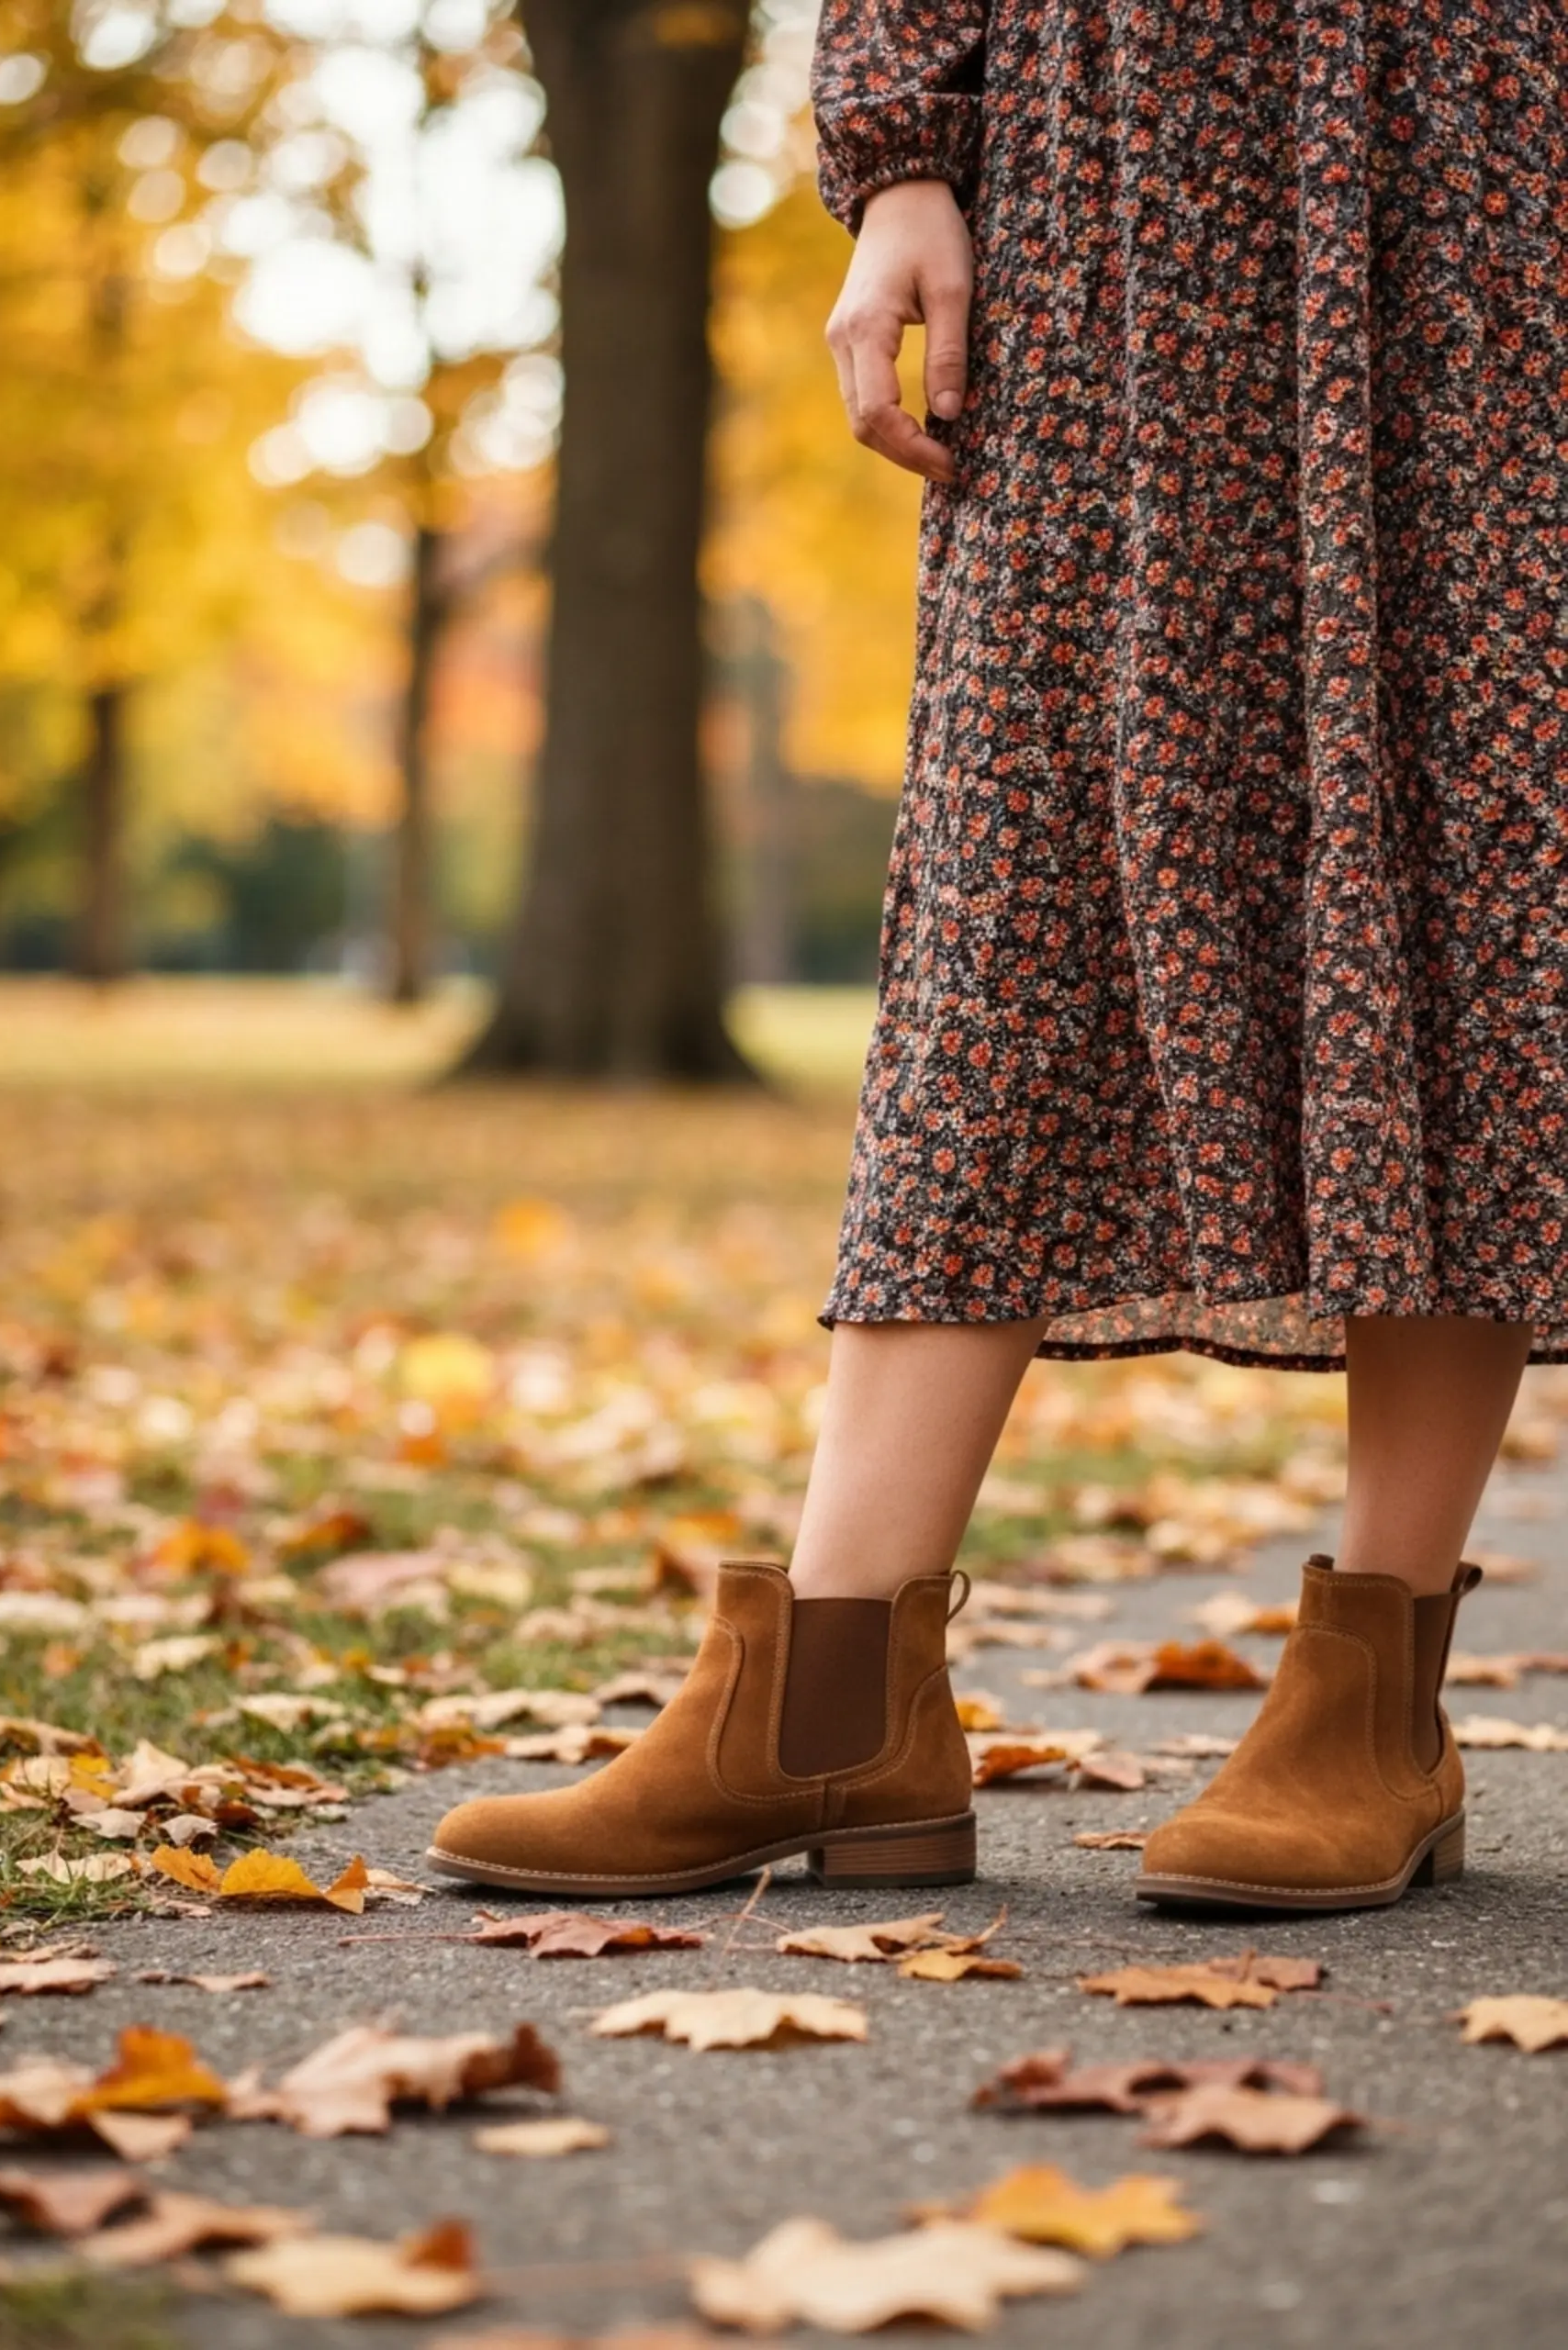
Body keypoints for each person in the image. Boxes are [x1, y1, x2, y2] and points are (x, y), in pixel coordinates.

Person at [430, 1, 1568, 1908]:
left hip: (1471, 144)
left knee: (1446, 834)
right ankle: (831, 1689)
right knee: (1007, 872)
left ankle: (1373, 1692)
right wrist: (896, 156)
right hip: (1098, 139)